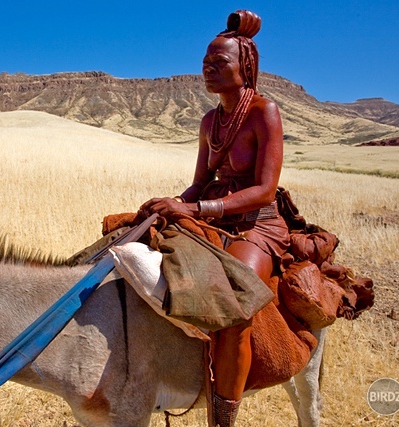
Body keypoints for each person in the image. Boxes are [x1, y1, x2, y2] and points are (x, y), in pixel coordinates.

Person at [140, 10, 289, 427]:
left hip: (257, 223)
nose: (207, 69)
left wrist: (195, 209)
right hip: (216, 217)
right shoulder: (210, 121)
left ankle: (222, 417)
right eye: (205, 62)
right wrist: (171, 202)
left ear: (245, 66)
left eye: (218, 62)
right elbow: (199, 183)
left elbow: (264, 189)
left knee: (236, 310)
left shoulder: (265, 111)